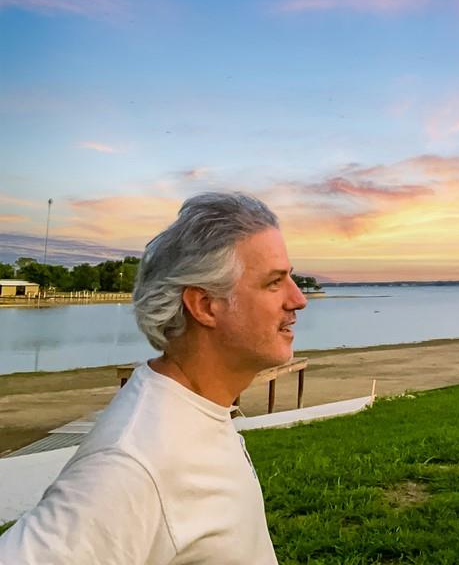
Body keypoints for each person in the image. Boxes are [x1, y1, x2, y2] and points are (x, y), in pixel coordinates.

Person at [0, 192, 307, 564]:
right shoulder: (132, 461)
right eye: (274, 282)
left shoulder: (200, 408)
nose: (298, 299)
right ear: (205, 305)